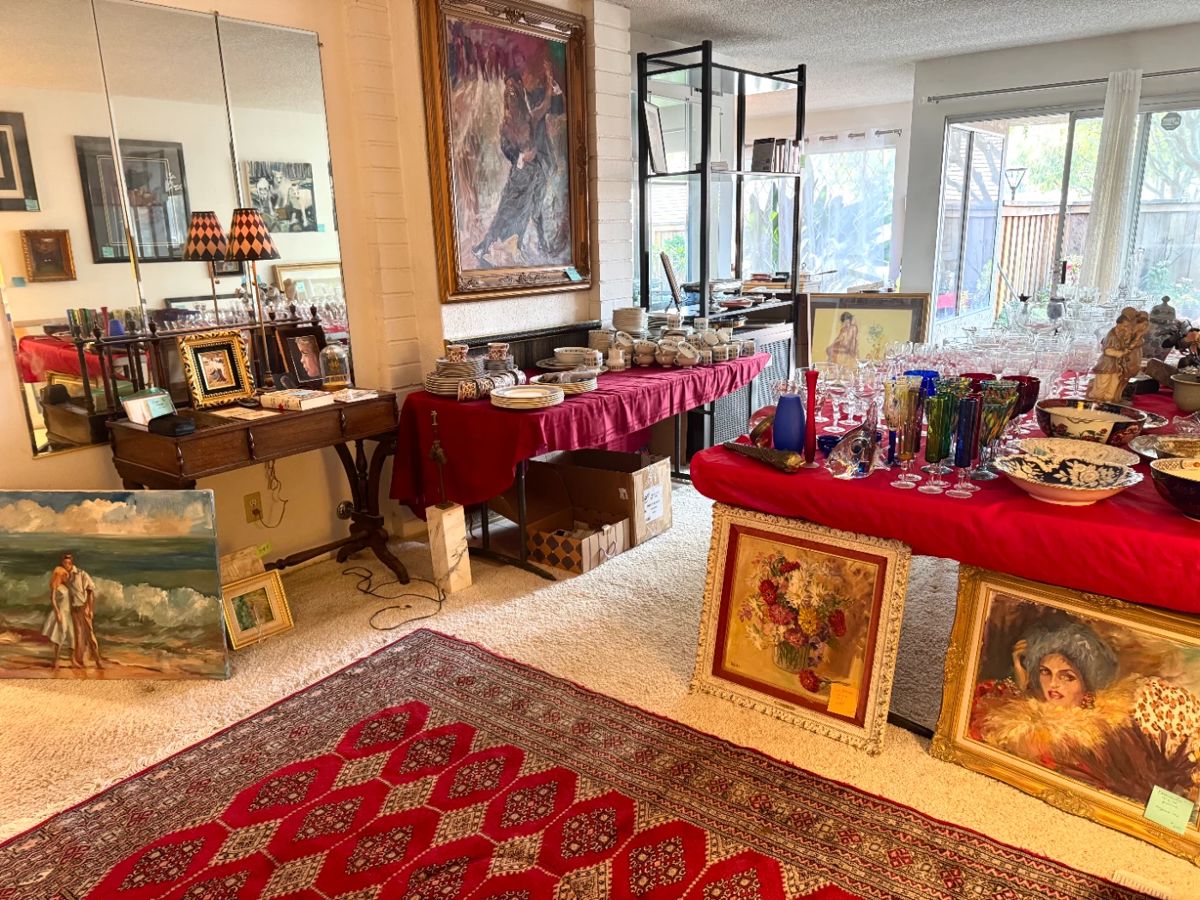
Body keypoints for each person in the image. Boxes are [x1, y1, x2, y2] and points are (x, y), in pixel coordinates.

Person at [970, 620, 1199, 805]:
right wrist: (1023, 679)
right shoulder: (1024, 716)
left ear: (1086, 682)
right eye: (1045, 672)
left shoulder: (1097, 731)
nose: (1053, 684)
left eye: (1067, 676)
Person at [56, 552, 103, 669]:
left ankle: (98, 660)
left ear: (71, 563)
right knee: (78, 636)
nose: (66, 565)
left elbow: (90, 591)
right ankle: (80, 661)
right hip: (73, 609)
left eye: (67, 562)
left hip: (83, 607)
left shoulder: (81, 574)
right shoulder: (64, 576)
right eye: (64, 563)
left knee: (90, 634)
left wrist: (90, 608)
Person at [40, 564, 73, 669]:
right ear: (60, 575)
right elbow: (53, 600)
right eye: (64, 575)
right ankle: (56, 661)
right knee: (59, 637)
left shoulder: (65, 586)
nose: (66, 577)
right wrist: (57, 612)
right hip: (61, 613)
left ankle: (72, 660)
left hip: (68, 614)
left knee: (72, 637)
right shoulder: (56, 587)